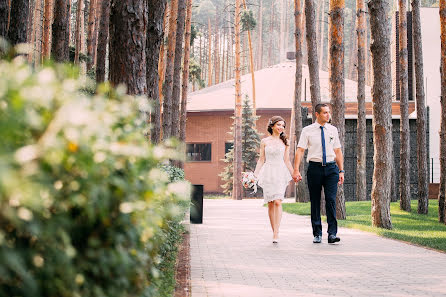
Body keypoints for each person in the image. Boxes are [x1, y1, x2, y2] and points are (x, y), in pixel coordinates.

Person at [292, 103, 344, 244]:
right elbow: (301, 150)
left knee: (331, 200)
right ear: (317, 114)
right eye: (325, 113)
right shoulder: (307, 131)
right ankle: (317, 233)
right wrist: (296, 169)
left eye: (329, 112)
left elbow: (338, 151)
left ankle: (332, 234)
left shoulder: (333, 130)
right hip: (315, 168)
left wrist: (341, 170)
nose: (328, 115)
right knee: (315, 201)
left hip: (331, 169)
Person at [254, 116, 294, 243]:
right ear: (272, 126)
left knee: (278, 201)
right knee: (270, 203)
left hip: (280, 172)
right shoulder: (264, 141)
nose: (281, 127)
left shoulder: (285, 142)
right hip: (268, 172)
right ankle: (274, 231)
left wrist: (294, 174)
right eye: (279, 125)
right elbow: (261, 160)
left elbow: (287, 160)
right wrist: (255, 175)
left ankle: (277, 232)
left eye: (283, 125)